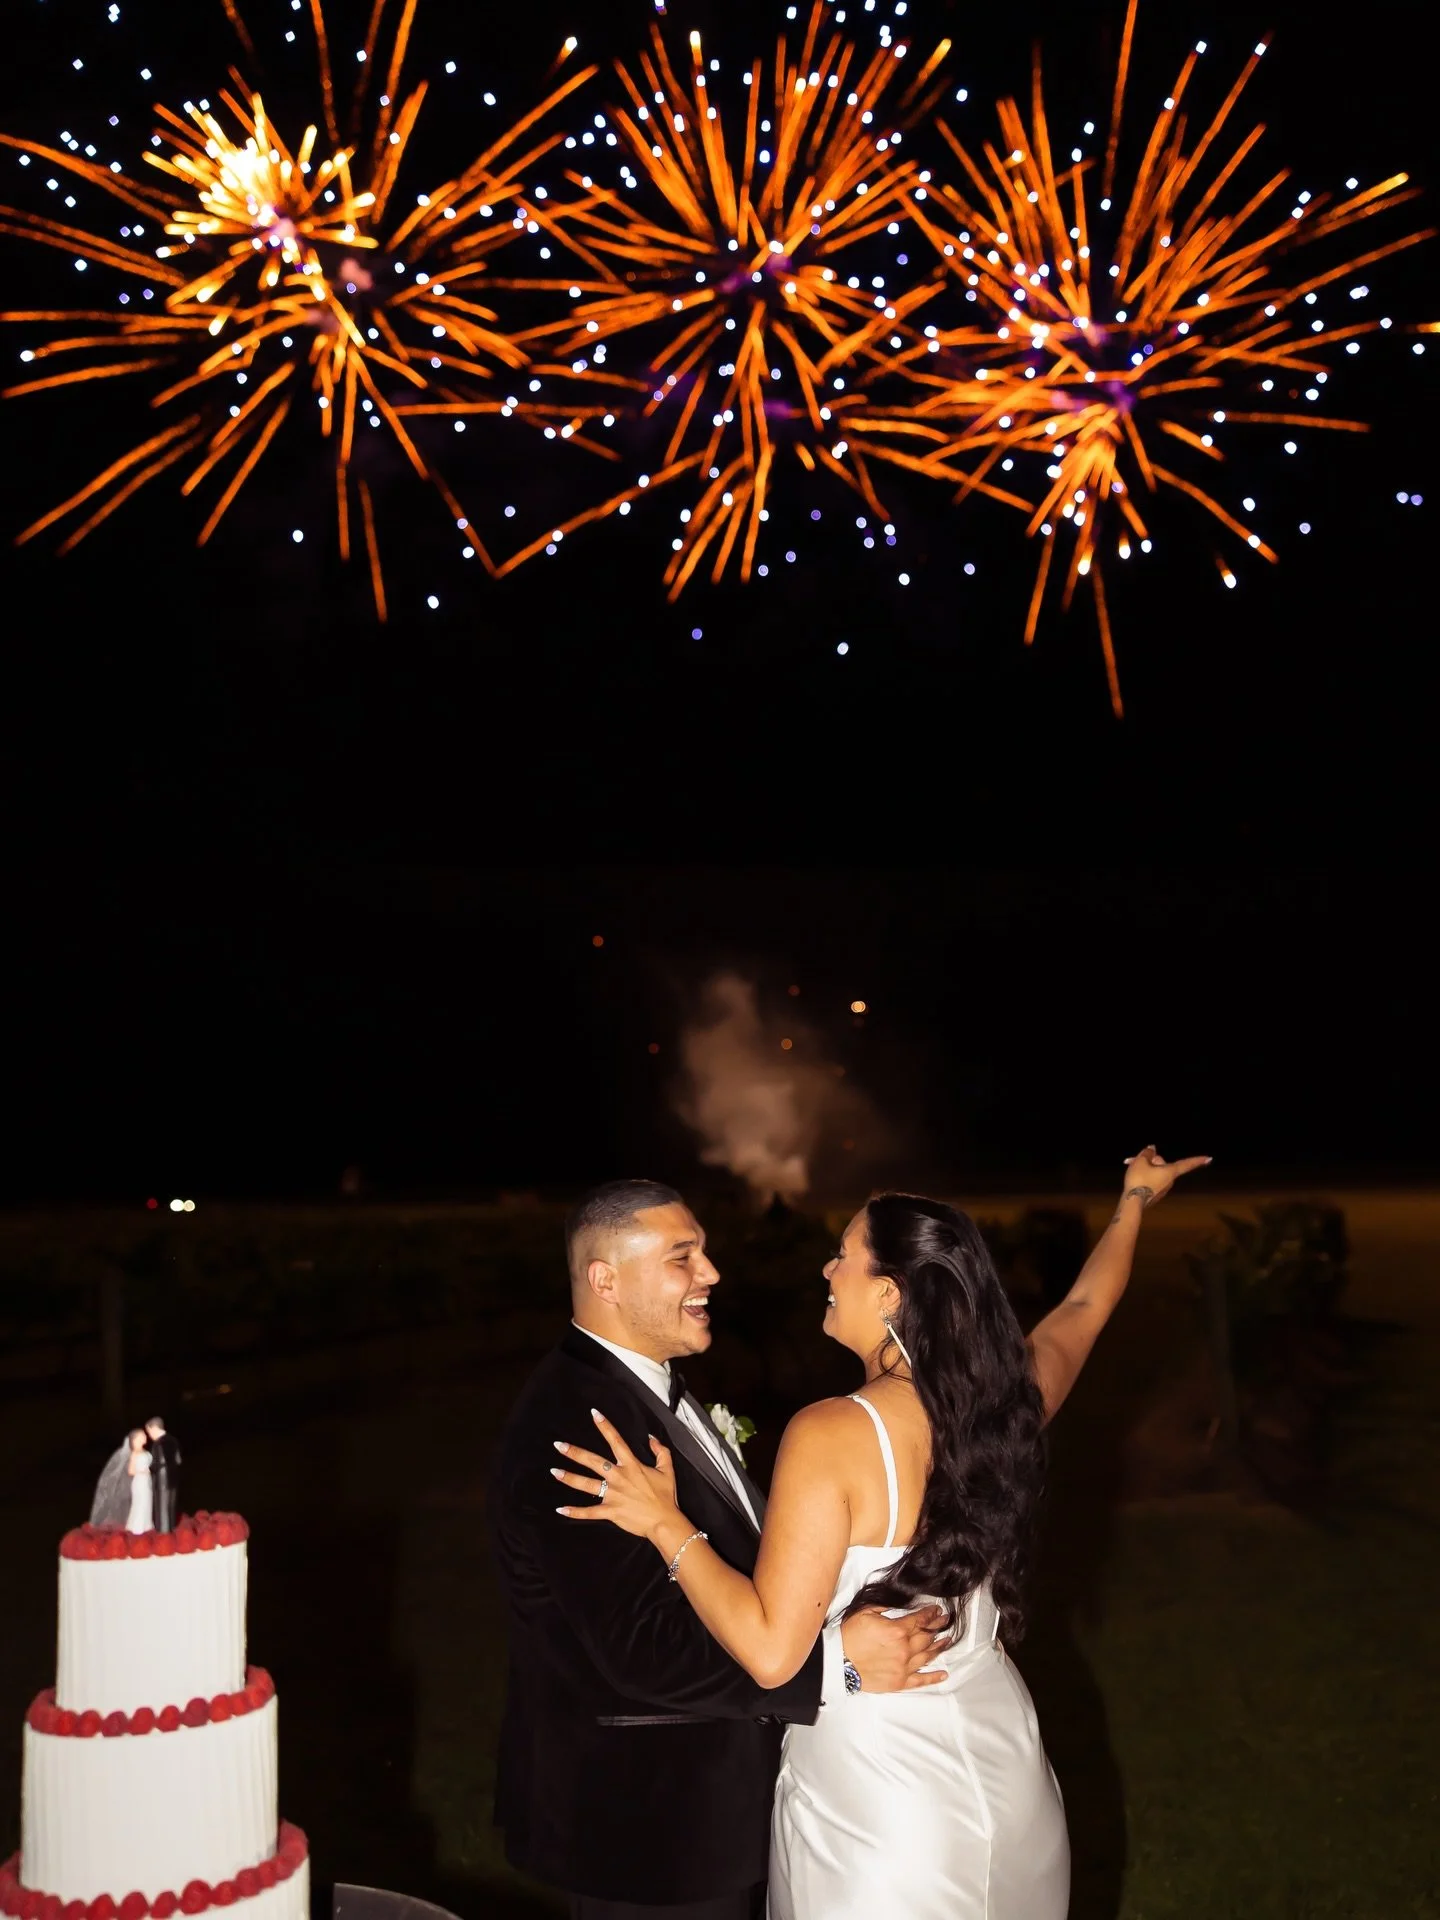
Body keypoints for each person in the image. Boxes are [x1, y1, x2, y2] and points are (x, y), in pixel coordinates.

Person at [555, 1146, 1211, 1918]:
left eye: (843, 1258)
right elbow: (1084, 1310)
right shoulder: (1004, 1402)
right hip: (1004, 1766)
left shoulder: (833, 1433)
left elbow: (770, 1653)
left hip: (880, 1803)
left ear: (893, 1295)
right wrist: (1134, 1201)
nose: (827, 1271)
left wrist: (668, 1524)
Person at [488, 1178, 950, 1920]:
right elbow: (642, 1650)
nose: (712, 1274)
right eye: (684, 1258)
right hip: (648, 1832)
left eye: (702, 1252)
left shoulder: (641, 1386)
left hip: (703, 1814)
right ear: (605, 1279)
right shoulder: (578, 1425)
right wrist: (840, 1667)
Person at [144, 1415, 181, 1533]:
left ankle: (164, 1534)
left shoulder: (157, 1444)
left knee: (162, 1507)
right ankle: (172, 1528)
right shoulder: (173, 1441)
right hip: (173, 1478)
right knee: (171, 1506)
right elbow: (178, 1460)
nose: (149, 1436)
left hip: (162, 1480)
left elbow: (159, 1462)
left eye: (149, 1432)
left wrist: (148, 1469)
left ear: (154, 1428)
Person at [125, 1428, 153, 1534]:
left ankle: (147, 1525)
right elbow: (131, 1471)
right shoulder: (135, 1453)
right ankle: (138, 1527)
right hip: (139, 1481)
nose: (145, 1437)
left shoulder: (145, 1451)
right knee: (140, 1503)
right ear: (136, 1439)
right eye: (143, 1436)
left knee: (147, 1502)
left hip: (147, 1481)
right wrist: (143, 1471)